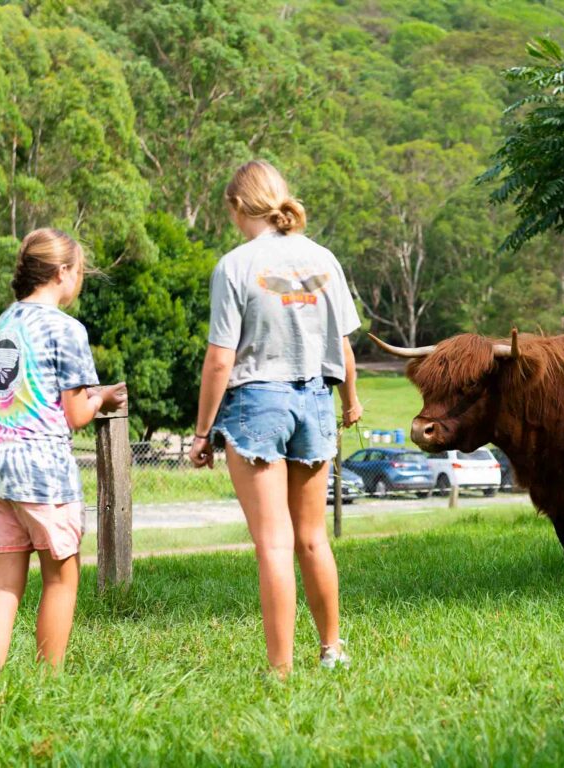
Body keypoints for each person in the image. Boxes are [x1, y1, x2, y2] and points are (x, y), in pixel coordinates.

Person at [190, 160, 363, 676]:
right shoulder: (325, 259)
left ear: (239, 207)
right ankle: (332, 650)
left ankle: (280, 669)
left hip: (257, 405)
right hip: (315, 399)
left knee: (274, 542)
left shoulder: (235, 265)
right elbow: (345, 345)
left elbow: (221, 358)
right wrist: (350, 401)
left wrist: (202, 433)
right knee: (313, 537)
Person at [0, 229, 127, 675]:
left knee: (5, 583)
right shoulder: (67, 329)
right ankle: (48, 681)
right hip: (41, 472)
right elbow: (75, 414)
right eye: (79, 271)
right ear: (62, 272)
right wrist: (103, 398)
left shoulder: (4, 323)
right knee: (61, 578)